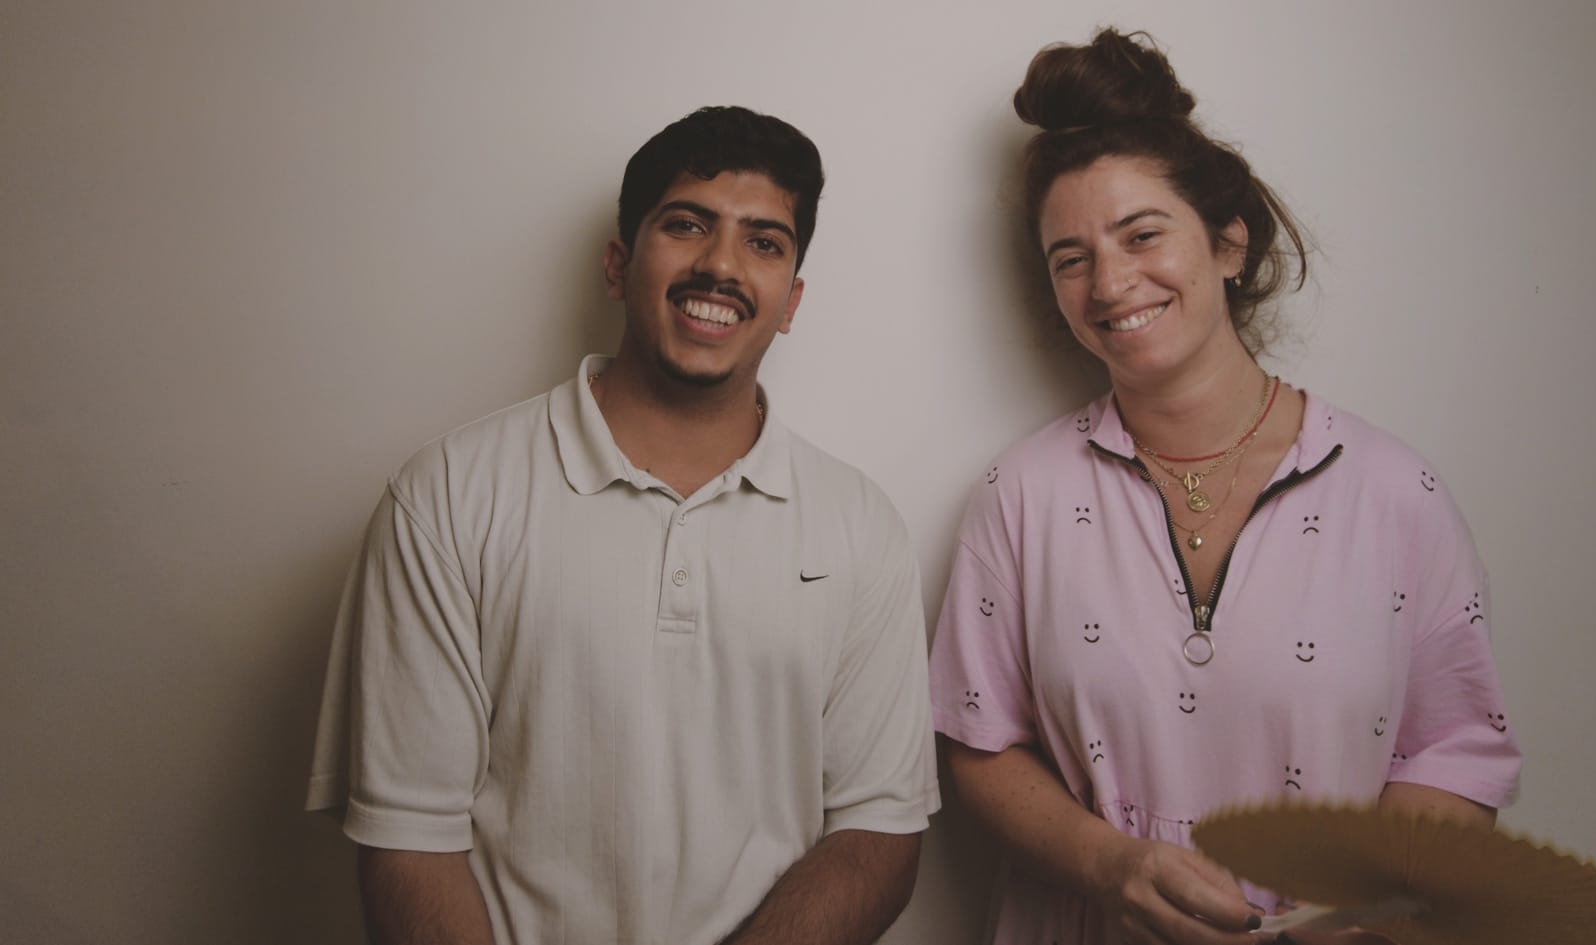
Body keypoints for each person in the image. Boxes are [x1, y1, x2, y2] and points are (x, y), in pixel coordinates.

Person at [927, 30, 1520, 945]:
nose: (1111, 280)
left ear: (1229, 242)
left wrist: (1355, 910)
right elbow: (977, 741)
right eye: (1070, 257)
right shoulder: (1021, 496)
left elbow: (1458, 751)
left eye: (1142, 234)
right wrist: (1108, 865)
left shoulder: (1397, 492)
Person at [306, 105, 939, 945]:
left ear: (791, 300)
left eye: (764, 241)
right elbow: (408, 838)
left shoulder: (861, 526)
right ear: (617, 263)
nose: (720, 265)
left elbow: (879, 829)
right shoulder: (448, 496)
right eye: (686, 224)